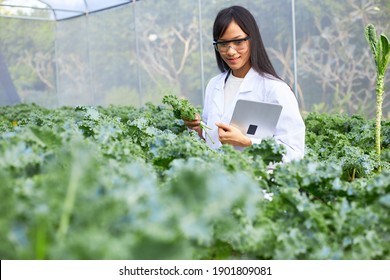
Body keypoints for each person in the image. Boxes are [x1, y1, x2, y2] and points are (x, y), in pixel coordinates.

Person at [184, 5, 305, 162]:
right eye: (223, 43)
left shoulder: (275, 89)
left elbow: (294, 151)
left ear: (252, 39)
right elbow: (212, 139)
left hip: (257, 182)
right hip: (217, 179)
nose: (231, 51)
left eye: (239, 41)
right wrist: (199, 128)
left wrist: (247, 143)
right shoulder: (214, 85)